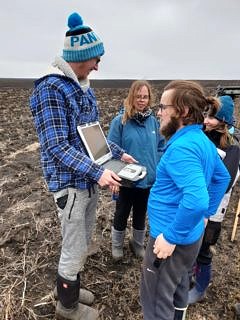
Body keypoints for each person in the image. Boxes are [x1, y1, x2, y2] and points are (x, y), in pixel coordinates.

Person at [29, 12, 136, 320]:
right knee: (74, 246)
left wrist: (118, 153)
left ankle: (71, 285)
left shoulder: (82, 86)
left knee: (81, 241)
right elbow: (56, 146)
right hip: (70, 183)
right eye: (95, 60)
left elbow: (91, 134)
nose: (98, 66)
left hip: (87, 180)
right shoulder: (51, 88)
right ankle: (67, 305)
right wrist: (100, 172)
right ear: (82, 56)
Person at [140, 80, 231, 320]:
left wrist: (171, 236)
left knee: (157, 301)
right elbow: (222, 177)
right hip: (190, 236)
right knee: (178, 287)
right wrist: (203, 216)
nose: (158, 112)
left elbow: (196, 199)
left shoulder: (182, 148)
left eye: (163, 107)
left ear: (183, 112)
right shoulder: (201, 140)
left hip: (170, 239)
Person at [188, 95, 240, 304]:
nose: (206, 120)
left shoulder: (232, 147)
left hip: (214, 209)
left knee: (204, 247)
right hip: (195, 202)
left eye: (212, 117)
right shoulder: (202, 136)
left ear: (224, 121)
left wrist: (207, 212)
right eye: (206, 115)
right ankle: (190, 274)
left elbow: (225, 182)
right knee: (192, 242)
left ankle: (200, 287)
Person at [107, 80, 165, 260]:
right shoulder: (121, 121)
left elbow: (161, 147)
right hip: (126, 181)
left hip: (147, 180)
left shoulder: (154, 122)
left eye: (145, 97)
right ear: (132, 97)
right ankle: (117, 246)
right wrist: (115, 179)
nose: (142, 100)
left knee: (141, 213)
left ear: (149, 99)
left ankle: (137, 244)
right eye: (138, 96)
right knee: (122, 213)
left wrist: (156, 169)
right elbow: (111, 150)